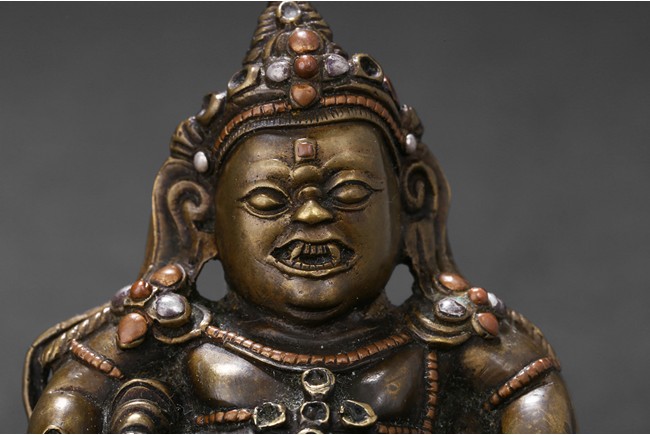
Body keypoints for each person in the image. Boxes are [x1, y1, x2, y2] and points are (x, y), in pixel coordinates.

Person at [24, 2, 575, 433]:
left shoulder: (442, 349)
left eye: (350, 192)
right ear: (199, 215)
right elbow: (71, 397)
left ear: (411, 201)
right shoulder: (169, 346)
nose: (312, 214)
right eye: (269, 201)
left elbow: (531, 385)